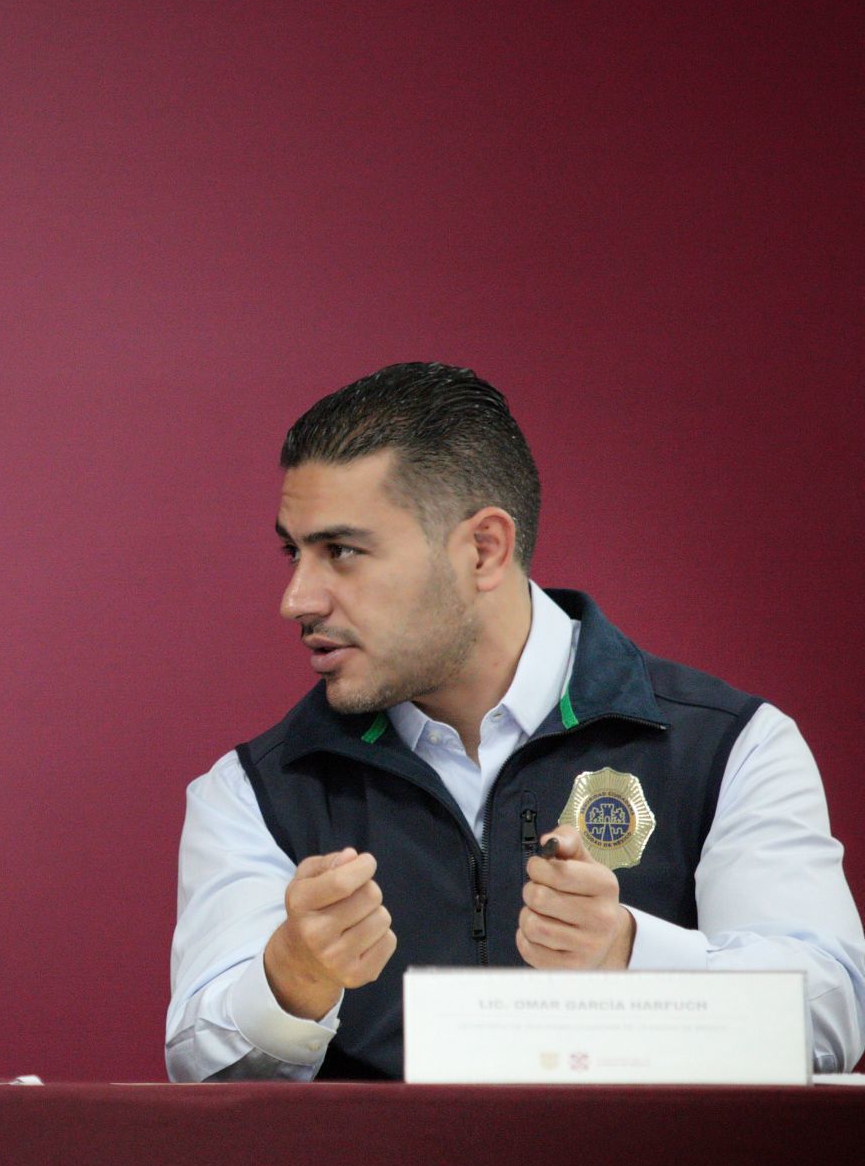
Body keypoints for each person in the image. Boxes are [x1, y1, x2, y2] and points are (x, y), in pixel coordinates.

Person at [167, 363, 865, 1080]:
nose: (296, 598)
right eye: (294, 550)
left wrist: (627, 953)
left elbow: (825, 1019)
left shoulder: (727, 746)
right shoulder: (254, 789)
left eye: (340, 552)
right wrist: (290, 981)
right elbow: (201, 1078)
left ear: (482, 549)